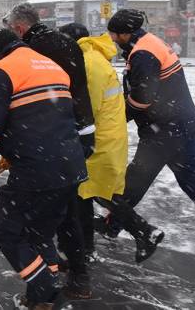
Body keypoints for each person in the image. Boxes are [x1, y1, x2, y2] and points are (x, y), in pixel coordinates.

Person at [0, 29, 88, 309]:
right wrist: (13, 143)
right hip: (70, 166)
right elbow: (42, 115)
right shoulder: (52, 66)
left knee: (7, 231)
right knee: (39, 234)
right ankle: (41, 300)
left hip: (37, 170)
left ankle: (47, 290)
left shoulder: (2, 70)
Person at [101, 9, 195, 258]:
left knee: (137, 178)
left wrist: (118, 117)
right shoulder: (148, 43)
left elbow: (142, 97)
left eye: (114, 34)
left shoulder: (143, 54)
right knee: (194, 182)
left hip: (166, 129)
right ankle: (113, 224)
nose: (113, 39)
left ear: (126, 33)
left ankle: (114, 224)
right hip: (178, 126)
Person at [6, 4, 93, 297]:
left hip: (52, 140)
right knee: (69, 209)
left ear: (19, 28)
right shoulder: (65, 42)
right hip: (78, 133)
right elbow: (78, 88)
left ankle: (47, 282)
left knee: (43, 219)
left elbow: (36, 101)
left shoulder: (32, 51)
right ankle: (78, 274)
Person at [58, 23, 138, 262]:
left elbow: (86, 109)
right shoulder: (92, 56)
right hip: (107, 134)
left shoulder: (88, 63)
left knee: (86, 192)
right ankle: (87, 248)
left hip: (99, 138)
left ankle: (142, 231)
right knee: (88, 192)